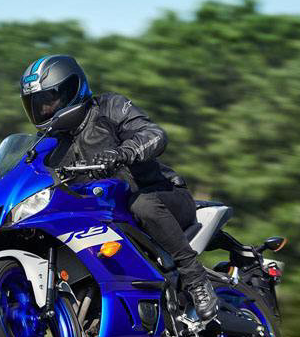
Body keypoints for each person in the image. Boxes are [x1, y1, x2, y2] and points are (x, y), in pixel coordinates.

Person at [19, 54, 219, 321]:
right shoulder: (50, 142)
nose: (43, 109)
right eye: (36, 104)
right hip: (111, 215)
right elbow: (28, 170)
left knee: (142, 204)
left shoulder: (109, 107)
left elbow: (154, 135)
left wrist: (123, 152)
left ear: (71, 90)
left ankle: (196, 280)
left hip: (163, 196)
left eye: (48, 100)